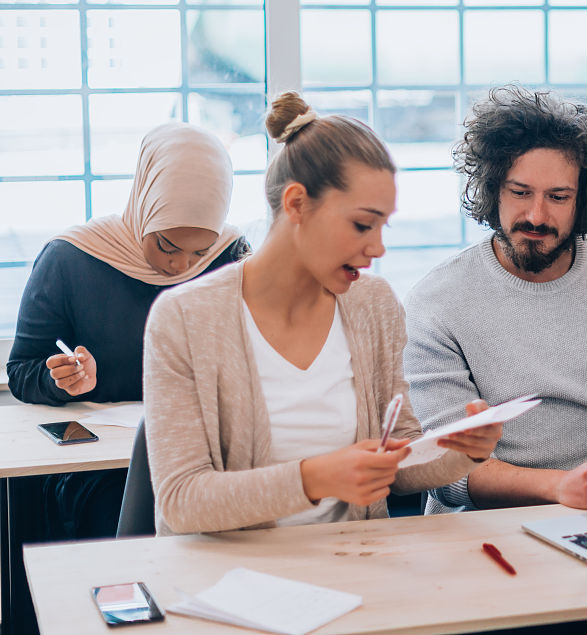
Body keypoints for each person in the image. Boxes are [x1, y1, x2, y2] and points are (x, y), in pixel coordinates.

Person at [142, 92, 501, 535]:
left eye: (382, 226)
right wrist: (316, 478)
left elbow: (398, 460)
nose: (378, 248)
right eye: (362, 224)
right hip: (229, 570)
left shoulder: (373, 305)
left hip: (351, 558)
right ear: (296, 204)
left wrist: (459, 453)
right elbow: (182, 501)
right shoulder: (185, 317)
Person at [405, 86, 587, 514]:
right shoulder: (436, 302)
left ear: (584, 200)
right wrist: (560, 486)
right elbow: (443, 470)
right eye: (520, 192)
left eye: (558, 197)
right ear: (493, 190)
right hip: (485, 528)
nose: (537, 216)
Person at [7, 122, 249, 540]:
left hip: (206, 457)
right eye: (167, 245)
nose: (180, 266)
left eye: (200, 251)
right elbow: (20, 372)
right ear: (143, 205)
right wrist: (61, 380)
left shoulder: (231, 258)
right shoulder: (71, 258)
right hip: (101, 470)